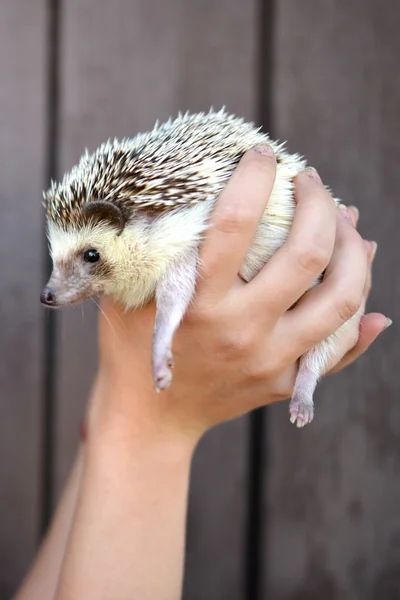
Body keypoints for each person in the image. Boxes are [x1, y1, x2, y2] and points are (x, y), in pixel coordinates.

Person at [14, 147, 389, 600]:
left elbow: (179, 275)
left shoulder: (172, 233)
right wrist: (149, 419)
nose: (55, 289)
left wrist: (127, 402)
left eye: (89, 256)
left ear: (135, 224)